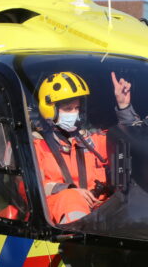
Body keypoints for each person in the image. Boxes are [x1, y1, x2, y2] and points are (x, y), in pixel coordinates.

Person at [33, 71, 138, 224]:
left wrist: (124, 107)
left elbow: (130, 143)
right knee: (71, 198)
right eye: (68, 109)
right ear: (50, 110)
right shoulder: (35, 145)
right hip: (56, 222)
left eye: (77, 108)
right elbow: (26, 187)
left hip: (101, 217)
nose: (74, 114)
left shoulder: (93, 141)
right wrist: (67, 189)